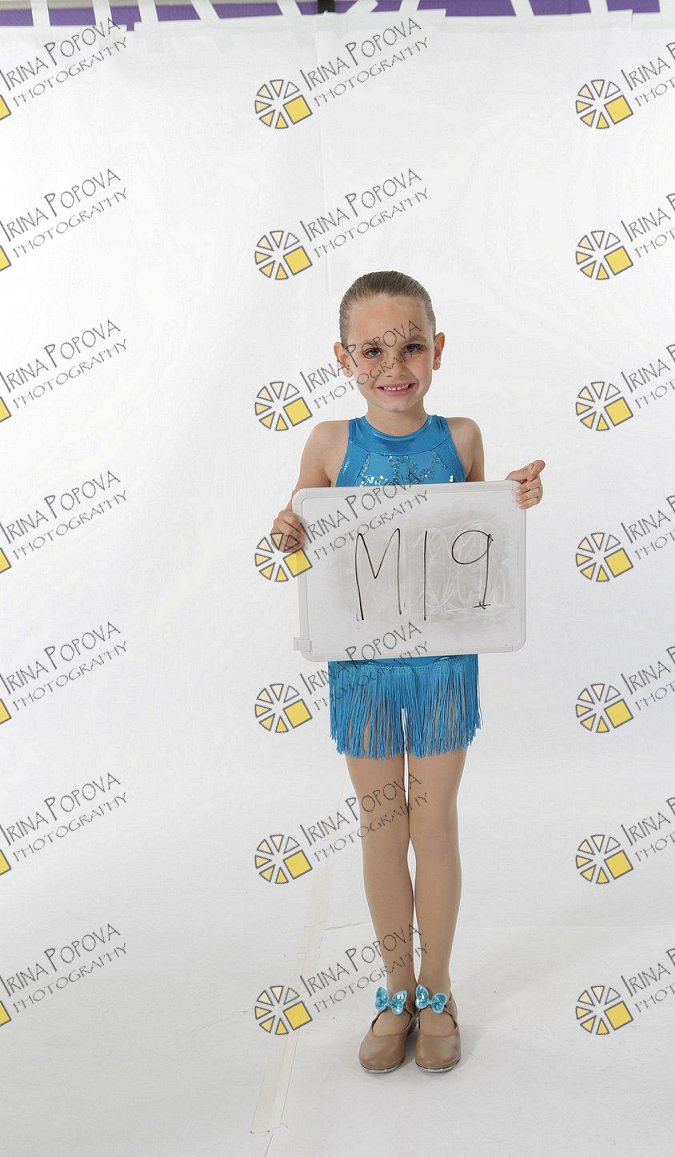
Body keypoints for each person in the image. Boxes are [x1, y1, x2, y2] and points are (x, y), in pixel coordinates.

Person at [270, 270, 545, 1073]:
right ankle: (395, 988)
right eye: (372, 350)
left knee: (434, 825)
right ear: (344, 358)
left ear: (438, 350)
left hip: (441, 668)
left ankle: (437, 988)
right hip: (363, 669)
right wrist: (286, 530)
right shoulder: (329, 443)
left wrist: (514, 496)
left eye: (412, 346)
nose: (394, 365)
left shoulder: (461, 437)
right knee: (382, 826)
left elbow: (474, 536)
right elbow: (305, 540)